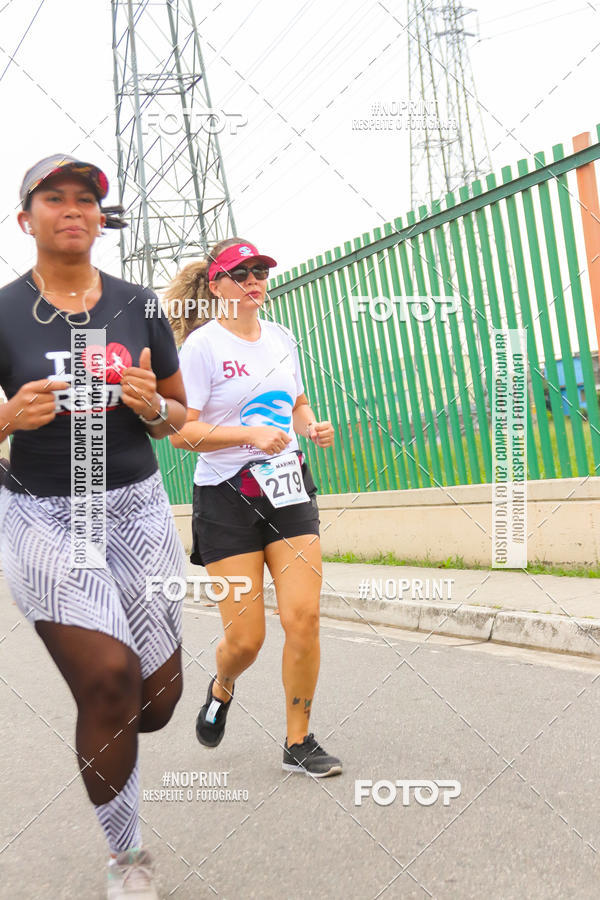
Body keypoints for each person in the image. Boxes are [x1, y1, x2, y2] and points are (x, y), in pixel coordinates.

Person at [0, 155, 188, 898]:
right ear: (27, 219)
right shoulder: (4, 311)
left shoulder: (139, 305)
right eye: (55, 198)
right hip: (45, 513)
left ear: (100, 220)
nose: (73, 209)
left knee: (158, 700)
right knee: (110, 682)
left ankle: (113, 730)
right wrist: (8, 417)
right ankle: (127, 857)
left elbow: (179, 417)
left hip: (136, 506)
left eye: (86, 199)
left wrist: (152, 406)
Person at [167, 238, 342, 777]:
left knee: (303, 616)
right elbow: (180, 433)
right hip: (226, 499)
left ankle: (299, 741)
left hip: (287, 490)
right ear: (217, 285)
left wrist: (309, 426)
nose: (254, 282)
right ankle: (222, 687)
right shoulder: (201, 347)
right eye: (241, 273)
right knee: (246, 640)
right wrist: (248, 435)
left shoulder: (281, 338)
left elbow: (296, 401)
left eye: (260, 272)